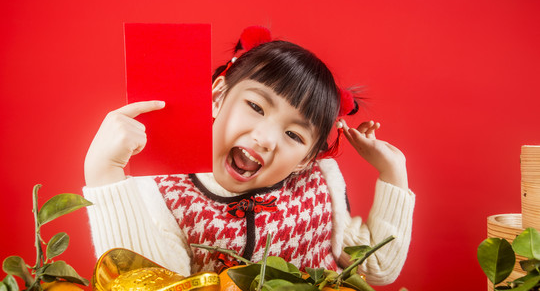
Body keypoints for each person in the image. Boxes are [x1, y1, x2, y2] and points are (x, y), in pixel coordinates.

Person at [83, 26, 415, 286]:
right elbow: (151, 285)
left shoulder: (316, 188)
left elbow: (377, 268)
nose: (267, 138)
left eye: (294, 135)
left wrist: (393, 171)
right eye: (256, 107)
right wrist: (105, 175)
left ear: (306, 159)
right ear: (217, 97)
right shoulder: (168, 195)